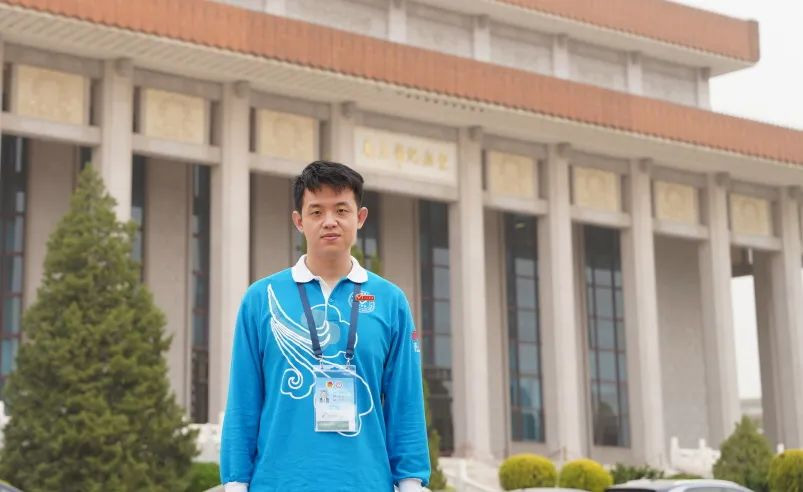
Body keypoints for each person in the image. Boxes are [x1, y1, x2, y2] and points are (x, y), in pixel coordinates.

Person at [220, 161, 430, 491]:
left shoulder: (390, 301)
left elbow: (406, 402)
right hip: (279, 483)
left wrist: (411, 483)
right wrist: (235, 483)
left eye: (341, 210)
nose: (329, 221)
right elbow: (243, 400)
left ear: (360, 218)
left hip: (366, 483)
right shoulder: (261, 299)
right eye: (316, 211)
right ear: (298, 221)